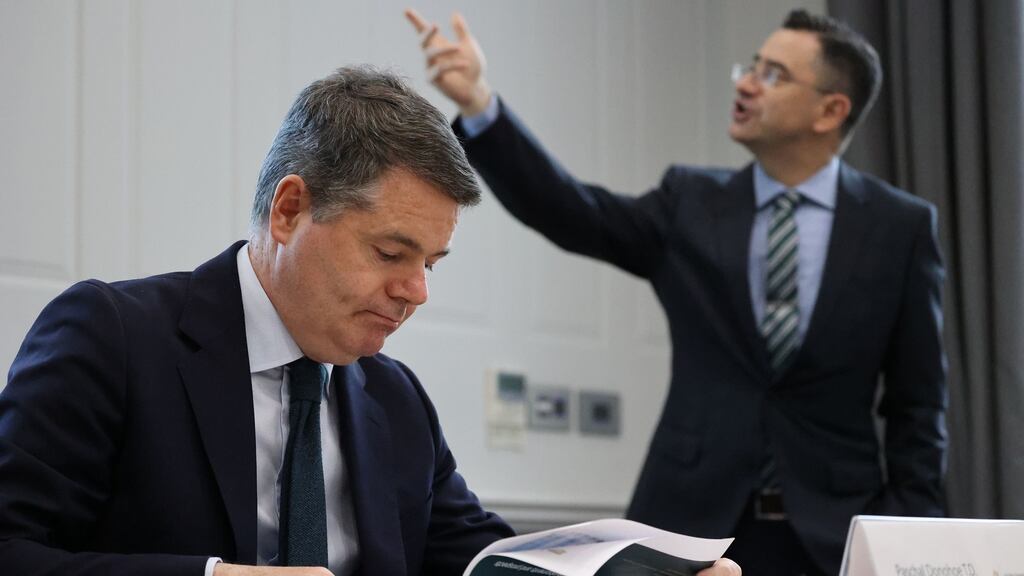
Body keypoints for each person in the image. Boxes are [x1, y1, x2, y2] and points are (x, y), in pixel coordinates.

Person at [407, 8, 947, 575]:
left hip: (832, 536)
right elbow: (574, 212)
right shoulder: (691, 202)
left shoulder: (900, 228)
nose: (744, 83)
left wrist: (911, 534)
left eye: (773, 75)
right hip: (691, 527)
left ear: (830, 110)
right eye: (751, 67)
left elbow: (919, 404)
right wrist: (480, 105)